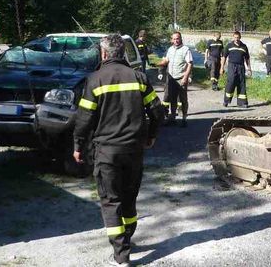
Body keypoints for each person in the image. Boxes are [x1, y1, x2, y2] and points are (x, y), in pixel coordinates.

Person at [73, 34, 165, 267]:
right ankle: (128, 238)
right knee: (129, 197)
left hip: (107, 152)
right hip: (134, 149)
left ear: (103, 54)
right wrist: (151, 135)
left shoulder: (94, 80)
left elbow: (84, 119)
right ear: (123, 52)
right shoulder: (139, 78)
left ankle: (121, 256)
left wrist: (77, 145)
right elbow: (157, 111)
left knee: (110, 200)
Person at [158, 31, 193, 127]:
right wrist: (160, 63)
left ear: (180, 39)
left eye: (177, 38)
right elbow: (166, 60)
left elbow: (190, 64)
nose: (176, 40)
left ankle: (184, 118)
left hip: (181, 78)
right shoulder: (170, 49)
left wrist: (185, 77)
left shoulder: (186, 49)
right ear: (171, 40)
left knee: (183, 99)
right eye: (174, 39)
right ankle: (172, 118)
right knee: (172, 99)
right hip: (171, 79)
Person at [221, 31, 251, 108]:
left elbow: (247, 58)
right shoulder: (229, 45)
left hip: (241, 67)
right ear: (233, 37)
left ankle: (242, 102)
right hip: (231, 66)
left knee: (241, 83)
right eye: (235, 37)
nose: (236, 39)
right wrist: (222, 68)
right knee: (231, 82)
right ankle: (226, 101)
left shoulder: (244, 46)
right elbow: (224, 57)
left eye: (238, 37)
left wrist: (249, 68)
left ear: (240, 37)